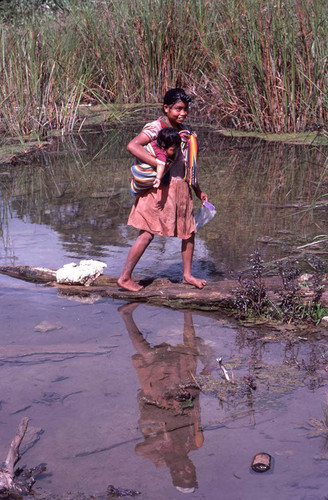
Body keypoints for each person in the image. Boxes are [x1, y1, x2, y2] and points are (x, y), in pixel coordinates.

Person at [118, 88, 208, 292]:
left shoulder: (184, 133)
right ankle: (124, 278)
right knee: (147, 233)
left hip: (181, 189)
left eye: (185, 109)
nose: (182, 113)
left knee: (189, 233)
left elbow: (188, 166)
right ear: (166, 108)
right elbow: (133, 146)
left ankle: (187, 275)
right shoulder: (155, 127)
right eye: (178, 109)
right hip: (159, 190)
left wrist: (198, 191)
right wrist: (159, 164)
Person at [130, 127, 181, 196]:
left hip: (135, 171)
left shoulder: (153, 143)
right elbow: (161, 165)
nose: (175, 152)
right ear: (163, 146)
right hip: (143, 174)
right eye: (173, 150)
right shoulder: (162, 153)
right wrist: (158, 178)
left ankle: (136, 190)